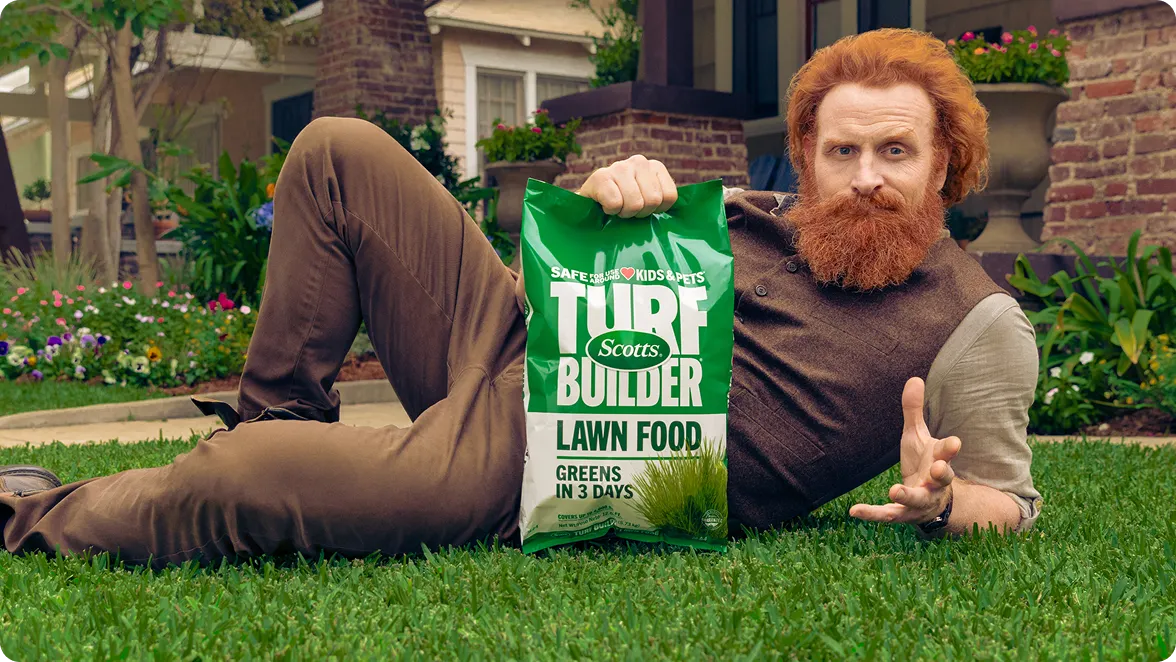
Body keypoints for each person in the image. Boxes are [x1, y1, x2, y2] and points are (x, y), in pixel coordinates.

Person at [0, 29, 1040, 567]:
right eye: (842, 148)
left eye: (895, 150)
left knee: (243, 473)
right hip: (519, 330)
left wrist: (944, 502)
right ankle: (293, 424)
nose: (865, 175)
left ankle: (28, 512)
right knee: (335, 150)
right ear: (807, 157)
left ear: (948, 159)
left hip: (567, 446)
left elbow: (1012, 500)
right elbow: (600, 252)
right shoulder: (771, 211)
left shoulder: (974, 321)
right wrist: (605, 190)